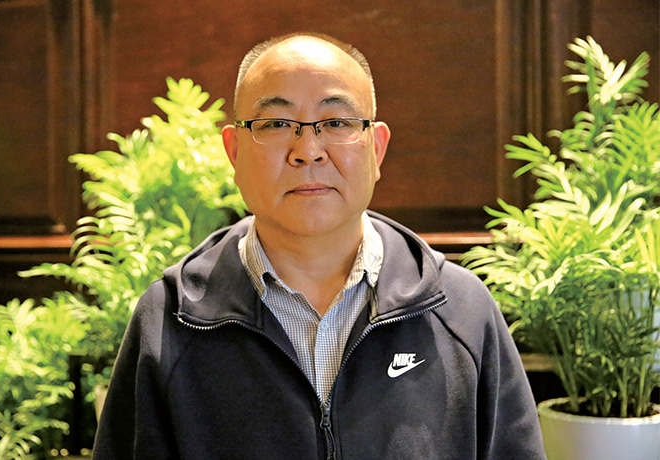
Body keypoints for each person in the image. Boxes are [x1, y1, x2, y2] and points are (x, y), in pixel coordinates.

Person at [93, 33, 546, 459]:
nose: (308, 150)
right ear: (234, 152)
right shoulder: (169, 319)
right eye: (275, 123)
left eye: (336, 122)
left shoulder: (461, 311)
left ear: (376, 149)